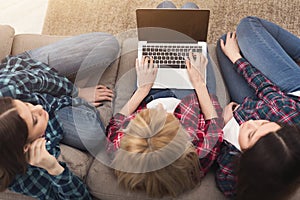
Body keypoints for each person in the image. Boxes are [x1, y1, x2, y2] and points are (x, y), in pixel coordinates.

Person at [0, 32, 119, 199]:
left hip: (30, 71)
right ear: (25, 147)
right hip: (52, 118)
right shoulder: (18, 172)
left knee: (108, 44)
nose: (38, 108)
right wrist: (54, 168)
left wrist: (77, 92)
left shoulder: (8, 88)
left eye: (27, 105)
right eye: (34, 120)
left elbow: (43, 79)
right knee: (94, 136)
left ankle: (44, 105)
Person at [215, 16, 300, 200]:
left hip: (257, 103)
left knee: (223, 40)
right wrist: (236, 57)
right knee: (247, 26)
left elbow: (218, 157)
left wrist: (226, 127)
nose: (251, 122)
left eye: (251, 134)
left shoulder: (229, 179)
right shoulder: (285, 117)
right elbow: (265, 89)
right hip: (292, 93)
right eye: (263, 123)